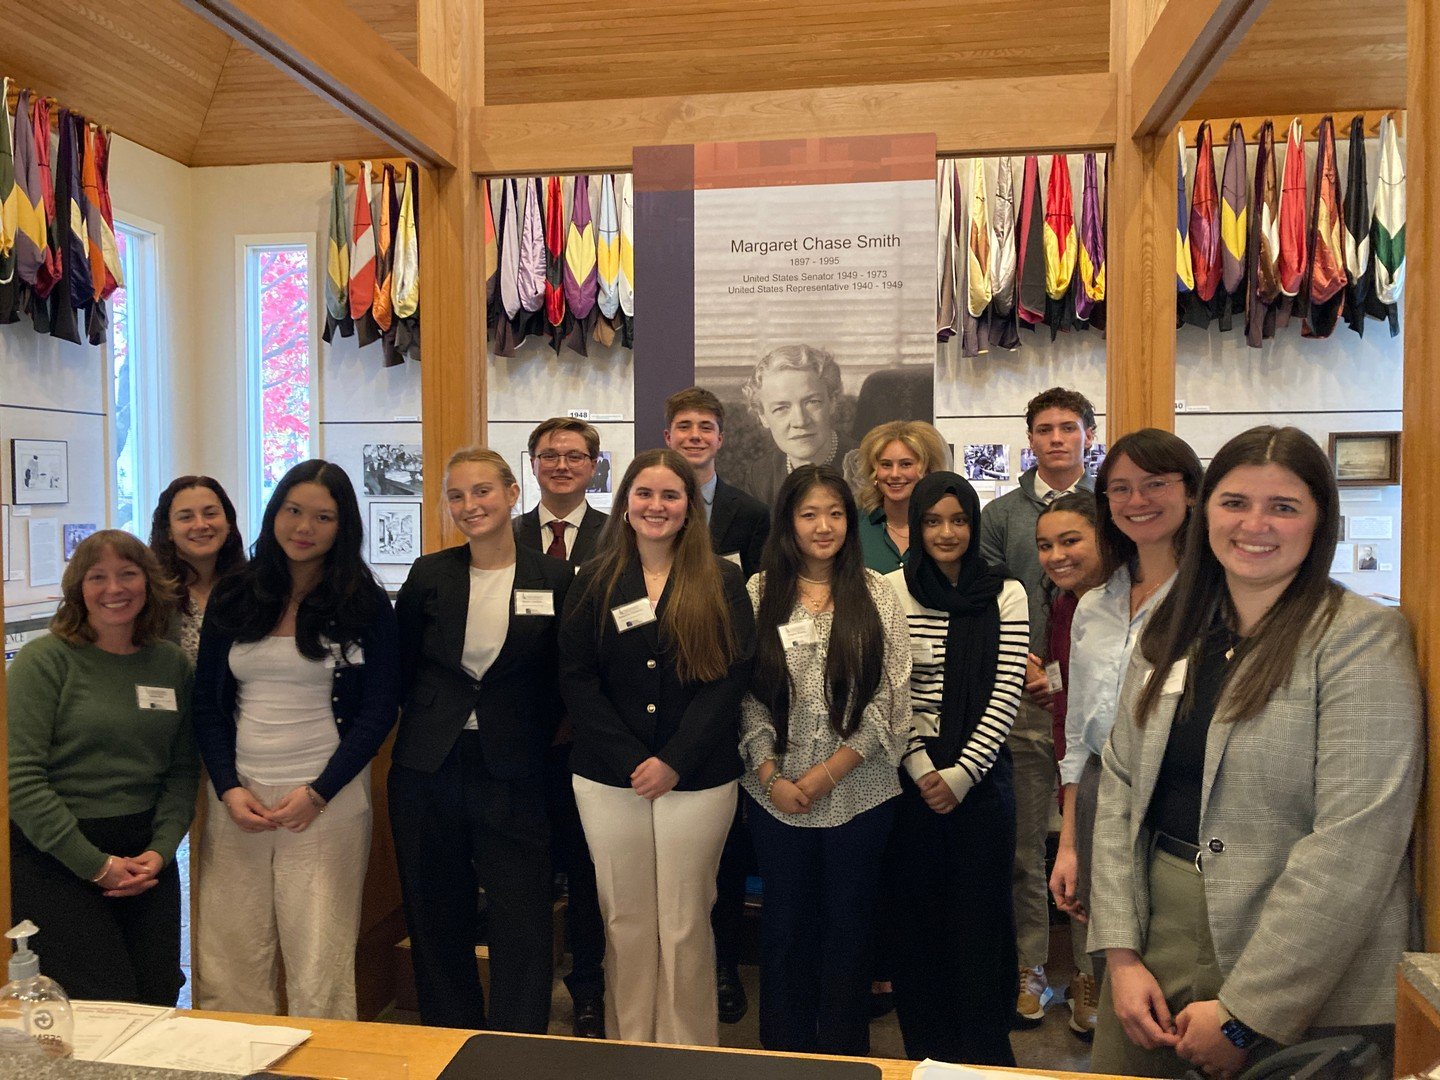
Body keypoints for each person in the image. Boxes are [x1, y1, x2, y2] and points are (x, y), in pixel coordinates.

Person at [1088, 426, 1422, 1078]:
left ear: (1319, 520)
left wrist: (1248, 1013)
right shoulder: (1173, 628)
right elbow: (1121, 786)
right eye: (1236, 502)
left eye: (1285, 506)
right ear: (1206, 509)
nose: (1255, 524)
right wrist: (1120, 955)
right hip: (1154, 938)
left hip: (1289, 957)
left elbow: (1356, 843)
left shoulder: (1360, 640)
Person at [559, 448, 754, 1047]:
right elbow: (576, 678)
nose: (656, 506)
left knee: (686, 920)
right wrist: (629, 759)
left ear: (690, 509)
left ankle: (688, 1050)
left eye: (671, 496)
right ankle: (632, 1045)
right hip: (606, 777)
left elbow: (732, 676)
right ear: (624, 506)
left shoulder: (720, 578)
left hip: (698, 778)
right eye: (644, 494)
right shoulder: (593, 578)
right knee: (626, 919)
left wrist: (674, 759)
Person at [191, 459, 400, 1020]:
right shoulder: (236, 593)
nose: (304, 526)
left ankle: (323, 1061)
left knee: (319, 957)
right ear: (275, 512)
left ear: (342, 525)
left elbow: (379, 711)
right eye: (293, 510)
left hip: (327, 800)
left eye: (323, 516)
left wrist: (319, 792)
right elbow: (207, 708)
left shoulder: (365, 603)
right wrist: (229, 789)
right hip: (240, 798)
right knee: (230, 952)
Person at [390, 448, 572, 1033]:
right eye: (457, 495)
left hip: (516, 767)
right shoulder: (430, 573)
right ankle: (449, 1037)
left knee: (521, 918)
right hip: (429, 764)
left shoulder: (557, 578)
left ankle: (517, 1046)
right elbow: (403, 663)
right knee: (435, 911)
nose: (471, 505)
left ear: (513, 494)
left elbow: (567, 674)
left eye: (482, 491)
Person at [740, 464, 911, 1056]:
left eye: (835, 513)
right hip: (774, 797)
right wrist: (771, 774)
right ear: (789, 520)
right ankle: (782, 1056)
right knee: (783, 933)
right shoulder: (761, 591)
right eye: (809, 513)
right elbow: (748, 694)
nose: (823, 526)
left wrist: (823, 774)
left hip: (862, 796)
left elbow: (891, 698)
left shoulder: (878, 591)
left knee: (848, 933)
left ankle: (843, 1055)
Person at [1048, 430, 1202, 1039]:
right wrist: (1067, 841)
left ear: (1191, 492)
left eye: (1155, 484)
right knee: (1107, 945)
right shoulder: (1094, 605)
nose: (1137, 499)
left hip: (1173, 798)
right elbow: (1077, 733)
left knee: (1168, 956)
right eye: (1120, 488)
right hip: (1097, 791)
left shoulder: (1213, 599)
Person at [7, 530, 198, 1004]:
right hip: (59, 854)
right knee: (101, 1000)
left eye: (128, 574)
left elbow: (182, 770)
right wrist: (95, 866)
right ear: (79, 588)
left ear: (149, 583)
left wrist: (162, 847)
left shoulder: (170, 665)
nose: (115, 589)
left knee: (158, 993)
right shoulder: (44, 661)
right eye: (98, 577)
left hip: (146, 856)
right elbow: (21, 780)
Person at [883, 472, 1029, 1065]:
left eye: (959, 520)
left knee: (980, 923)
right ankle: (928, 1055)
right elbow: (891, 692)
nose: (947, 533)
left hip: (983, 783)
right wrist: (922, 771)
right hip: (909, 784)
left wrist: (963, 774)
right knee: (918, 926)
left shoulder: (1007, 592)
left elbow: (1006, 690)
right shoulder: (889, 589)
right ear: (916, 527)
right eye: (933, 521)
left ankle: (984, 1059)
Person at [978, 385, 1097, 1022]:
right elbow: (993, 597)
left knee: (1092, 849)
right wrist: (1021, 660)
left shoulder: (1107, 509)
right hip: (1023, 705)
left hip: (1091, 707)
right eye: (1044, 428)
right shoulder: (999, 517)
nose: (1056, 438)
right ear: (1030, 439)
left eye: (1068, 428)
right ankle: (1030, 969)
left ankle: (1088, 976)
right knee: (1025, 850)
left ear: (1087, 434)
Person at [662, 385, 769, 1024]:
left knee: (722, 856)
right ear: (668, 435)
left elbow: (758, 606)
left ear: (721, 438)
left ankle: (723, 967)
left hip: (724, 701)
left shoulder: (748, 514)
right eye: (684, 426)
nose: (695, 436)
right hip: (655, 702)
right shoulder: (643, 505)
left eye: (706, 426)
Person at [513, 415, 608, 1036]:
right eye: (550, 455)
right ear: (533, 463)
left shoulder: (619, 535)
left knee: (588, 869)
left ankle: (590, 989)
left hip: (592, 736)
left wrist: (584, 715)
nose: (563, 465)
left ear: (595, 466)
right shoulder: (506, 533)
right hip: (519, 734)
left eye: (575, 456)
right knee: (522, 871)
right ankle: (523, 992)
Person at [736, 344, 858, 509]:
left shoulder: (871, 467)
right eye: (781, 408)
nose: (800, 421)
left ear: (832, 403)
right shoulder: (761, 477)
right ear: (763, 417)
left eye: (812, 402)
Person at [149, 475, 246, 665]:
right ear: (168, 530)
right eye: (186, 517)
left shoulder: (252, 588)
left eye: (210, 514)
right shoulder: (151, 593)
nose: (201, 525)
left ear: (228, 524)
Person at [856, 420, 950, 573]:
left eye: (906, 464)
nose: (894, 474)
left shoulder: (947, 527)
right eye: (886, 465)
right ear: (874, 471)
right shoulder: (855, 525)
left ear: (928, 470)